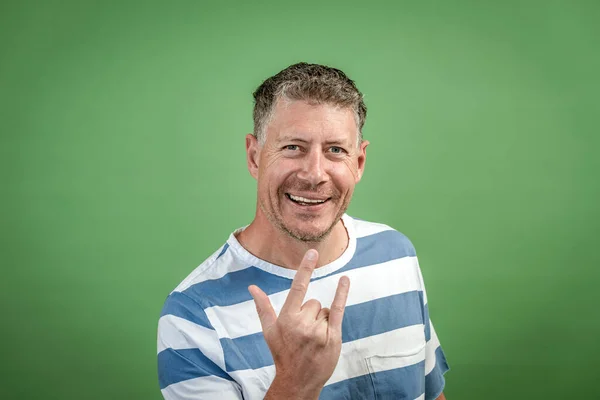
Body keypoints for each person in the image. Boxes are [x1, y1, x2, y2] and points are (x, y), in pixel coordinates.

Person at [157, 62, 449, 399]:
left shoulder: (395, 253)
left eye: (335, 150)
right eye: (293, 147)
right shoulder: (192, 316)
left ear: (358, 163)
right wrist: (295, 381)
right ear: (254, 157)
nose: (314, 174)